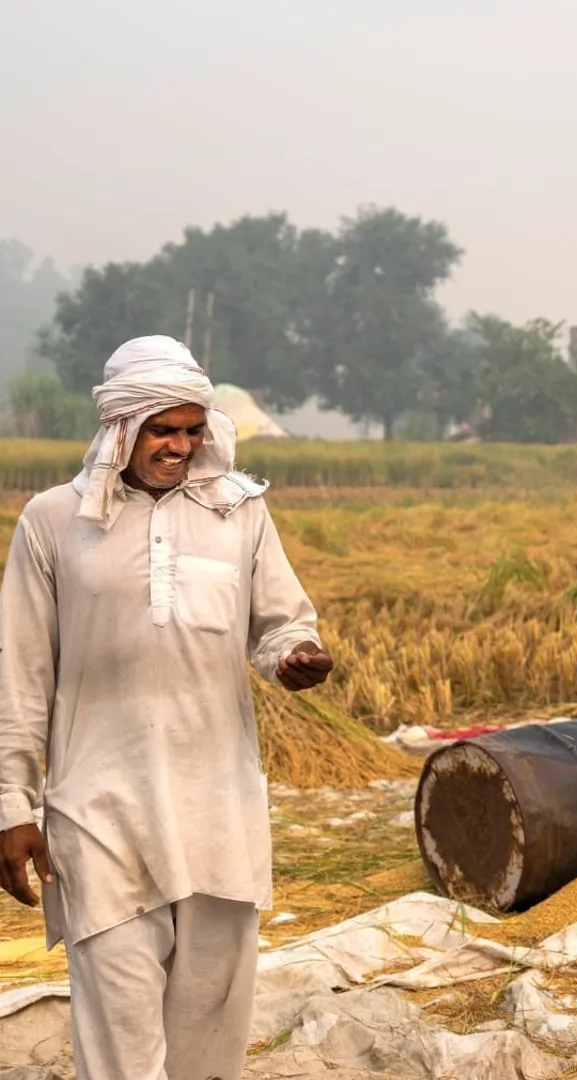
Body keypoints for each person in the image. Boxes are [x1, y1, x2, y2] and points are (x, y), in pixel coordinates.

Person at [0, 336, 335, 1080]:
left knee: (208, 1043)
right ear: (121, 429)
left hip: (218, 809)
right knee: (119, 1042)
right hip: (99, 811)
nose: (181, 446)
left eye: (192, 429)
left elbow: (280, 622)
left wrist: (293, 655)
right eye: (163, 430)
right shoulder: (55, 522)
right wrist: (12, 807)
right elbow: (20, 675)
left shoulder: (239, 512)